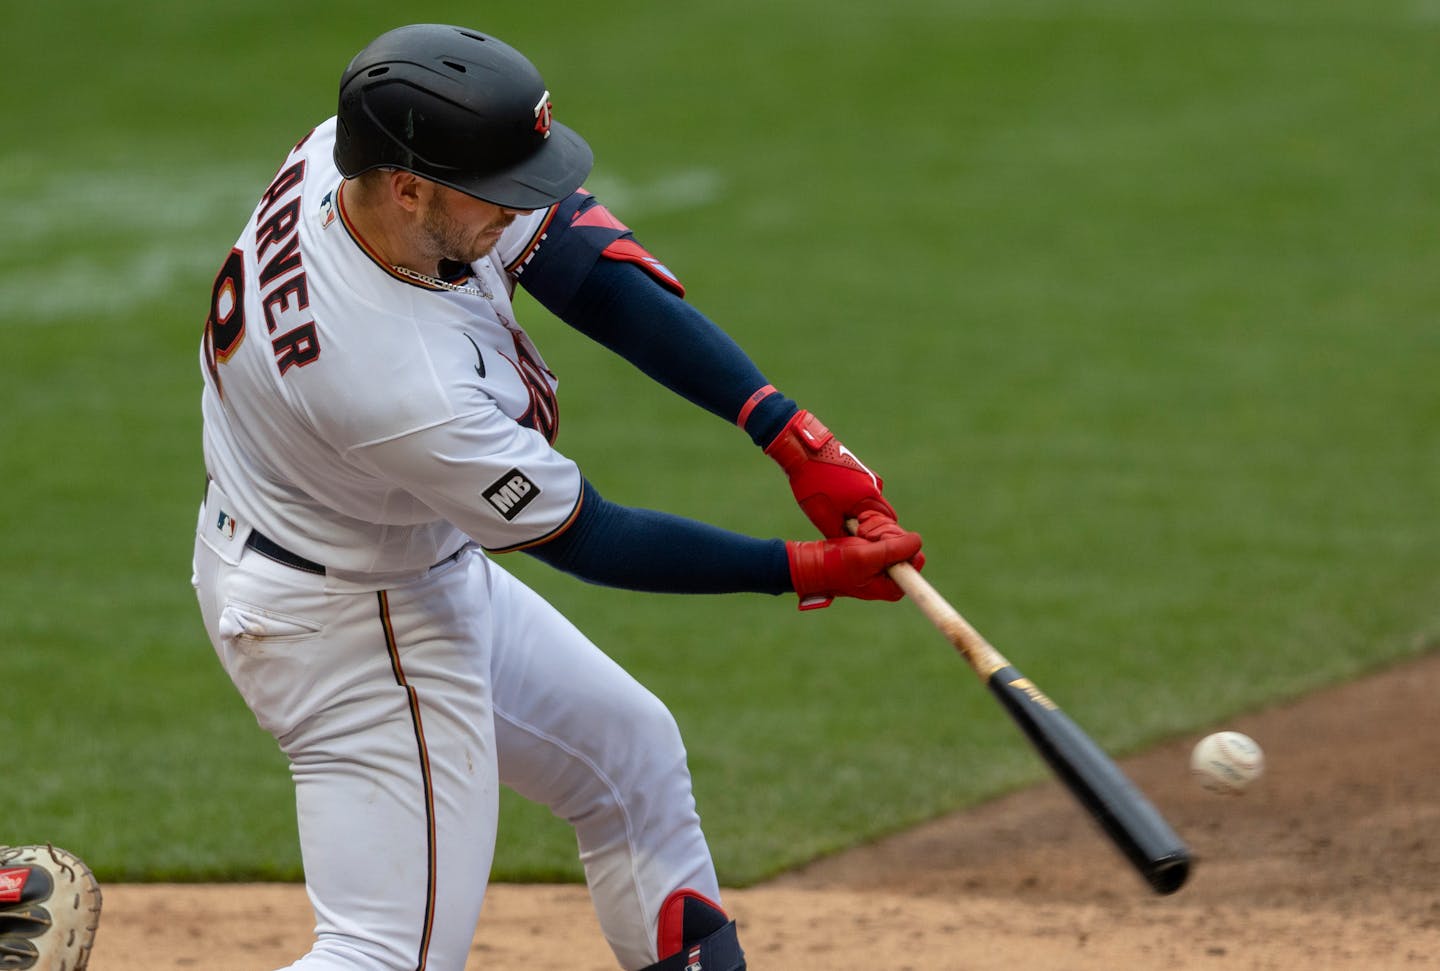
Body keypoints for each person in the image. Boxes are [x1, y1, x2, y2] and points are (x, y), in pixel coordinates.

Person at [192, 22, 923, 971]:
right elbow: (589, 535)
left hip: (371, 552)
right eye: (499, 193)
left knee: (630, 755)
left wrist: (788, 432)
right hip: (347, 624)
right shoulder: (401, 387)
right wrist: (806, 568)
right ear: (410, 188)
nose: (521, 208)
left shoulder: (356, 155)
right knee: (387, 954)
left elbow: (581, 267)